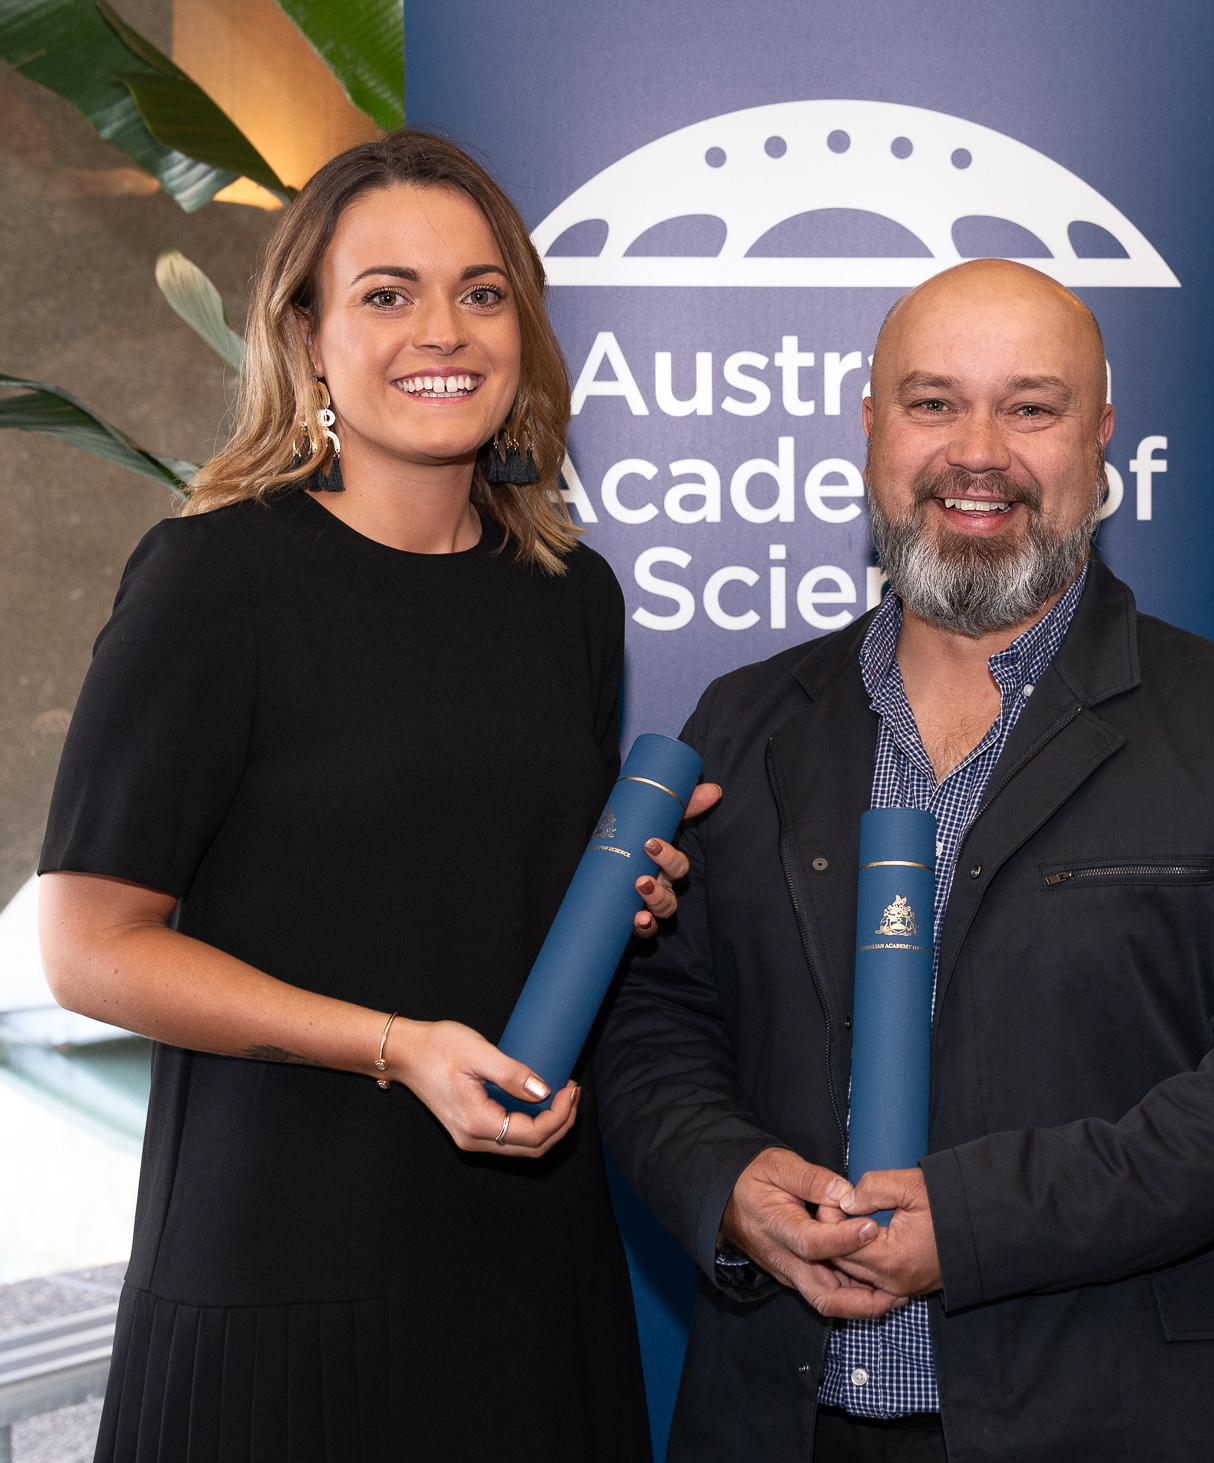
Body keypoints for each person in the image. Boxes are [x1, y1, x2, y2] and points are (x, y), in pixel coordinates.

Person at [597, 257, 1214, 1462]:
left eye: (1030, 406)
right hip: (778, 1419)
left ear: (1100, 435)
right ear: (870, 430)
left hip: (1122, 1421)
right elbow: (654, 1018)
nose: (978, 451)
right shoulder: (744, 720)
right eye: (931, 403)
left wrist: (974, 1220)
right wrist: (725, 1176)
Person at [38, 131, 701, 1462]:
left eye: (482, 289)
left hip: (526, 1266)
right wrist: (395, 1042)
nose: (439, 328)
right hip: (284, 1272)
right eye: (386, 292)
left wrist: (609, 898)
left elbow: (452, 878)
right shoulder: (214, 581)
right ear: (308, 332)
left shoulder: (570, 598)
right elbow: (89, 946)